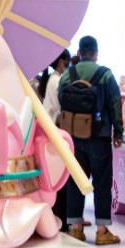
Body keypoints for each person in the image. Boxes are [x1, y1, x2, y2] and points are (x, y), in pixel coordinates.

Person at [59, 35, 124, 245]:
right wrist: (118, 131)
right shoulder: (105, 74)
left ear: (79, 52)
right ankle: (102, 231)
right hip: (99, 136)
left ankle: (76, 228)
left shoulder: (67, 75)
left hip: (73, 137)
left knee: (76, 180)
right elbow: (115, 103)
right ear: (95, 53)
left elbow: (62, 101)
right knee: (102, 182)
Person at [36, 49, 73, 229]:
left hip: (48, 132)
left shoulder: (50, 80)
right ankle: (60, 217)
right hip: (56, 132)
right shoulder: (57, 81)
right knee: (58, 179)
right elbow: (60, 108)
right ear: (62, 62)